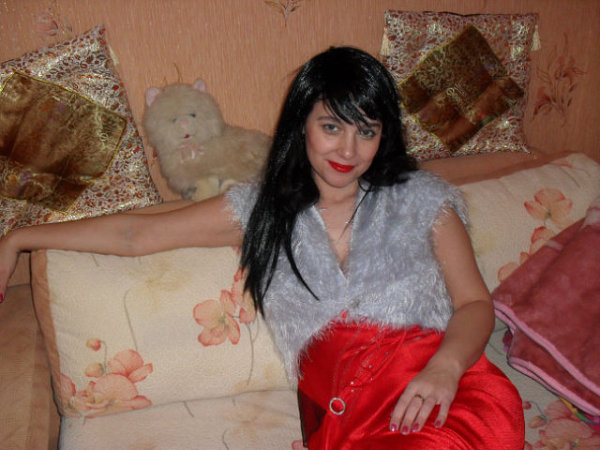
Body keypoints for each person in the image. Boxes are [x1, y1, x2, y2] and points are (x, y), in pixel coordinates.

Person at [0, 46, 524, 449]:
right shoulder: (261, 209)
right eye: (331, 126)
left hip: (441, 394)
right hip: (345, 411)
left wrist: (445, 368)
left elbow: (475, 304)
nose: (347, 149)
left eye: (366, 131)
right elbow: (135, 235)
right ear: (302, 125)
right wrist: (20, 238)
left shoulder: (424, 202)